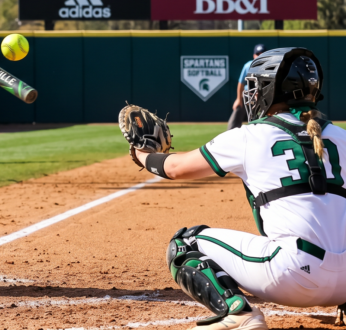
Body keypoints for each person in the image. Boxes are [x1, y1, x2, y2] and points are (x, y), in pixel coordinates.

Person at [126, 47, 346, 330]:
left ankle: (237, 312)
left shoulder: (249, 136)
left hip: (292, 277)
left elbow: (175, 168)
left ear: (268, 91)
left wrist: (141, 154)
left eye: (255, 87)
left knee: (185, 244)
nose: (251, 94)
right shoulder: (340, 136)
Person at [229, 43, 267, 130]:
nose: (260, 56)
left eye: (262, 53)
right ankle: (230, 133)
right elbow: (240, 84)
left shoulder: (270, 67)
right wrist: (238, 99)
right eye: (258, 54)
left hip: (263, 97)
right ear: (254, 55)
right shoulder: (248, 66)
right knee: (238, 107)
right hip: (248, 95)